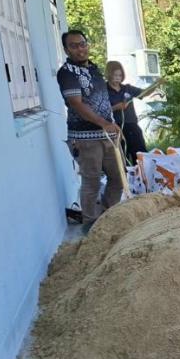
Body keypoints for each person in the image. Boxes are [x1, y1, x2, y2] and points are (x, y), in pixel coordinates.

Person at [57, 30, 123, 227]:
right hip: (85, 138)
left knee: (118, 177)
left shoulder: (93, 69)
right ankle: (90, 225)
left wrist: (111, 122)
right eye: (74, 46)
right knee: (91, 181)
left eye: (83, 44)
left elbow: (101, 101)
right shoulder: (67, 73)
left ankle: (106, 218)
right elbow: (76, 103)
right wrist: (104, 123)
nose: (80, 49)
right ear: (66, 49)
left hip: (107, 134)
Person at [105, 61, 162, 167]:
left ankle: (143, 178)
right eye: (115, 75)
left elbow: (144, 93)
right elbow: (99, 110)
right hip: (116, 128)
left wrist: (156, 84)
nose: (118, 78)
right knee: (122, 159)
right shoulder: (103, 90)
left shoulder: (127, 88)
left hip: (132, 125)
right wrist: (116, 107)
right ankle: (126, 180)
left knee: (141, 155)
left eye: (120, 75)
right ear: (109, 74)